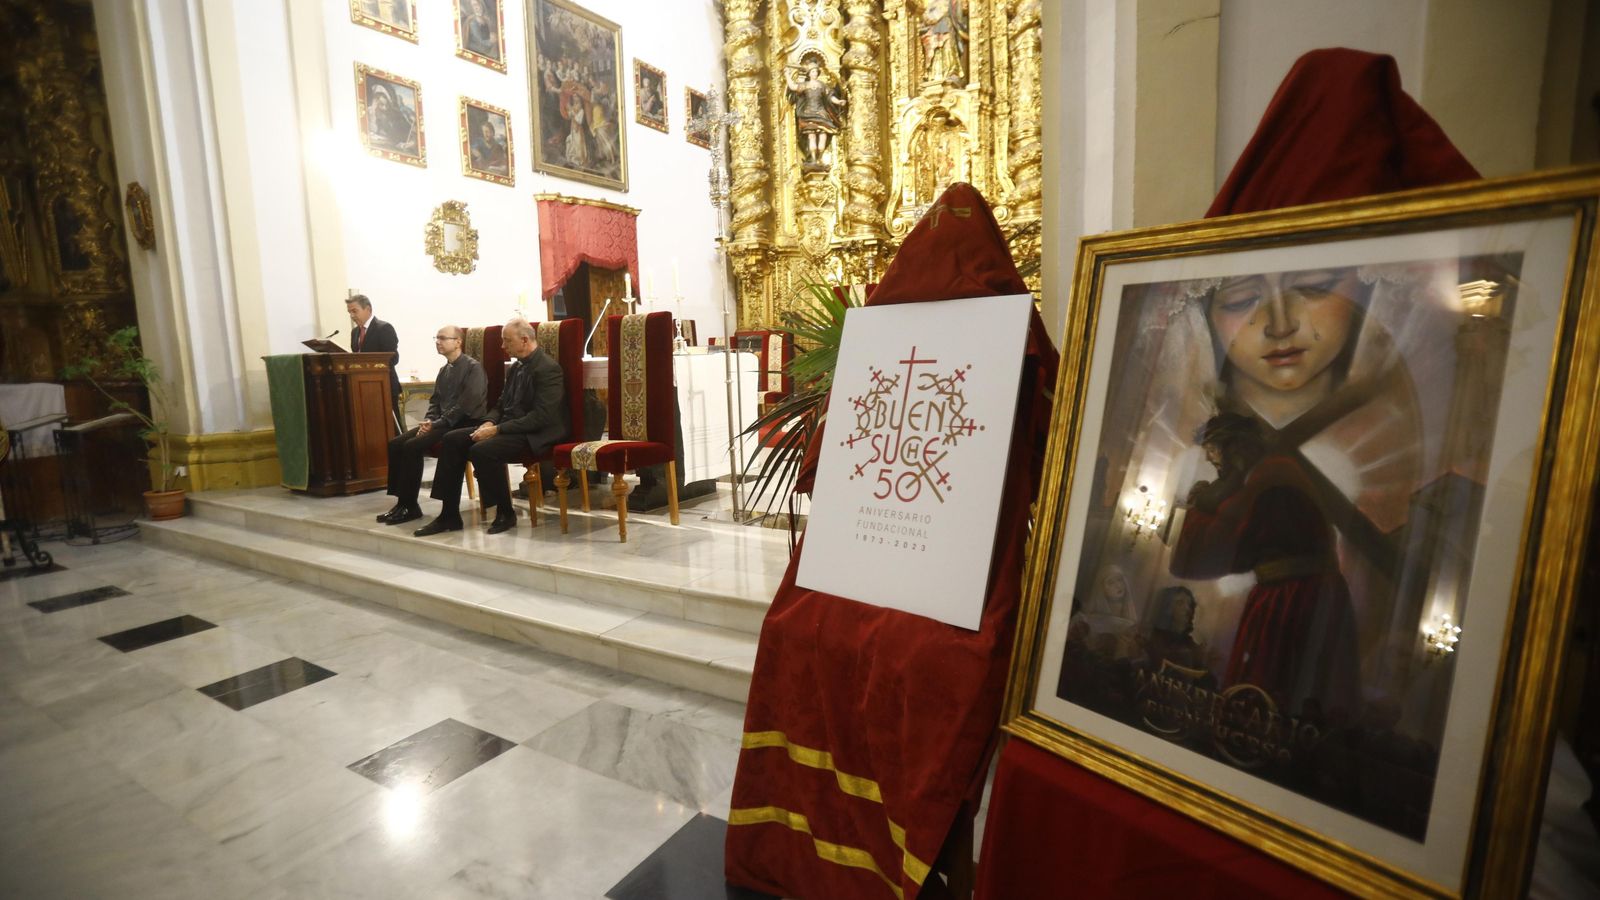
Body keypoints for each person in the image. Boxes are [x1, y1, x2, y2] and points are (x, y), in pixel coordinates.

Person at [1169, 412, 1361, 719]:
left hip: (1293, 599)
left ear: (1237, 448)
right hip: (1290, 594)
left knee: (1272, 698)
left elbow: (1214, 554)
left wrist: (1204, 504)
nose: (1214, 463)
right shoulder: (1267, 475)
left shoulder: (1270, 477)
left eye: (1216, 452)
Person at [415, 319, 569, 537]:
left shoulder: (548, 369)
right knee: (452, 439)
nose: (502, 346)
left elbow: (541, 417)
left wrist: (497, 430)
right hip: (510, 426)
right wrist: (488, 422)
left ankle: (506, 512)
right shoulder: (516, 367)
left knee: (483, 450)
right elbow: (500, 404)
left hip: (534, 432)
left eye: (507, 341)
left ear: (524, 340)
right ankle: (449, 514)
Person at [377, 326, 487, 526]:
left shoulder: (473, 368)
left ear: (458, 342)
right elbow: (435, 402)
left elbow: (466, 405)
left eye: (443, 338)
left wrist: (435, 423)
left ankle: (411, 505)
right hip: (441, 423)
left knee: (412, 446)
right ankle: (403, 502)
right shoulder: (443, 370)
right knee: (395, 443)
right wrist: (428, 420)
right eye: (436, 338)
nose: (438, 342)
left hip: (464, 423)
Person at [346, 294, 400, 414]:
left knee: (392, 426)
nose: (352, 316)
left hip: (384, 385)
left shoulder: (384, 328)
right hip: (362, 386)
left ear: (368, 309)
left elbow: (393, 358)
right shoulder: (355, 332)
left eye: (355, 311)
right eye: (349, 312)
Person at [786, 61, 847, 169]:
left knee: (823, 137)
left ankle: (819, 159)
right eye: (812, 71)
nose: (814, 73)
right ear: (809, 73)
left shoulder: (821, 85)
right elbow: (793, 87)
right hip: (809, 113)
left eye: (816, 71)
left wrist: (838, 102)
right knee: (812, 137)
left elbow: (829, 97)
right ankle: (814, 159)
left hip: (822, 114)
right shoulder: (805, 85)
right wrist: (787, 75)